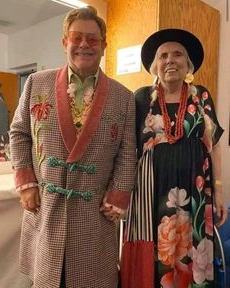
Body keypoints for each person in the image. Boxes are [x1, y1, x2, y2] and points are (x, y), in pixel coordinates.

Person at [9, 6, 136, 288]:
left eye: (92, 39)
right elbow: (19, 133)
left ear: (104, 45)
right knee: (49, 279)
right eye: (76, 37)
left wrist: (119, 195)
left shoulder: (123, 97)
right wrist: (26, 182)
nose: (83, 45)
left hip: (94, 213)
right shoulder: (36, 83)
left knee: (92, 280)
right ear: (65, 41)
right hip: (46, 206)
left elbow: (128, 152)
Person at [124, 28, 228, 287]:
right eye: (164, 56)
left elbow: (213, 145)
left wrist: (219, 190)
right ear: (155, 66)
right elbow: (126, 150)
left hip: (195, 191)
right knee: (155, 259)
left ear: (188, 64)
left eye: (178, 54)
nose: (170, 60)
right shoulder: (140, 99)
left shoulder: (201, 96)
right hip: (152, 193)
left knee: (194, 258)